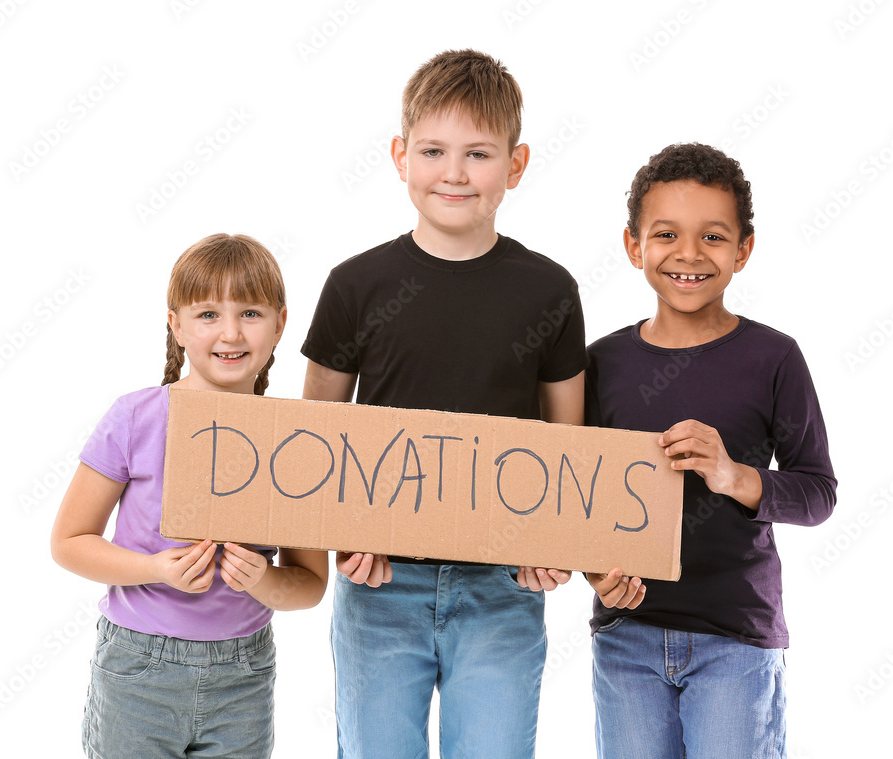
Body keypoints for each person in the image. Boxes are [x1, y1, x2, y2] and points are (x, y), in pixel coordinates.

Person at [301, 49, 588, 759]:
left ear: (515, 165)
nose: (454, 173)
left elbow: (571, 446)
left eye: (478, 153)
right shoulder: (354, 286)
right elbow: (311, 444)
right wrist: (340, 531)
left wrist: (558, 545)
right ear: (401, 156)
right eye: (433, 150)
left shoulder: (549, 292)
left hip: (501, 589)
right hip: (381, 585)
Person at [585, 143, 837, 758]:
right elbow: (575, 500)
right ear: (632, 246)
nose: (689, 254)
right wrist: (596, 575)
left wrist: (733, 476)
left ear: (743, 250)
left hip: (737, 642)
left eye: (714, 237)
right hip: (627, 637)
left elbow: (818, 493)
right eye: (666, 233)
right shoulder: (602, 363)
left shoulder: (773, 358)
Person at [50, 233, 329, 759]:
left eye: (250, 312)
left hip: (243, 674)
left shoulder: (295, 439)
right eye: (207, 315)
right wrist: (156, 569)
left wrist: (264, 580)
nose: (230, 332)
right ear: (175, 324)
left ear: (280, 325)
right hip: (138, 668)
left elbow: (311, 584)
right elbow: (69, 540)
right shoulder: (136, 417)